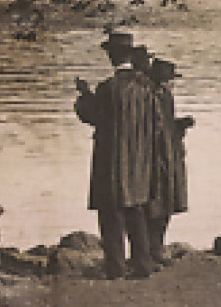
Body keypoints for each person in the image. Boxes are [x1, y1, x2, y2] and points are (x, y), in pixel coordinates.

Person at [74, 30, 160, 279]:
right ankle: (143, 264)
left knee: (111, 214)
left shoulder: (108, 89)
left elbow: (92, 116)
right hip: (140, 160)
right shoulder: (147, 89)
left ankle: (115, 267)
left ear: (112, 56)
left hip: (111, 158)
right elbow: (155, 125)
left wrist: (83, 95)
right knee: (137, 211)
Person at [146, 56, 193, 262]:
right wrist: (179, 127)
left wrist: (178, 125)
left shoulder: (161, 97)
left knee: (163, 204)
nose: (173, 84)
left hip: (165, 156)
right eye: (171, 79)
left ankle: (154, 248)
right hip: (163, 158)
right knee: (161, 203)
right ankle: (154, 250)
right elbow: (161, 130)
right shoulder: (159, 98)